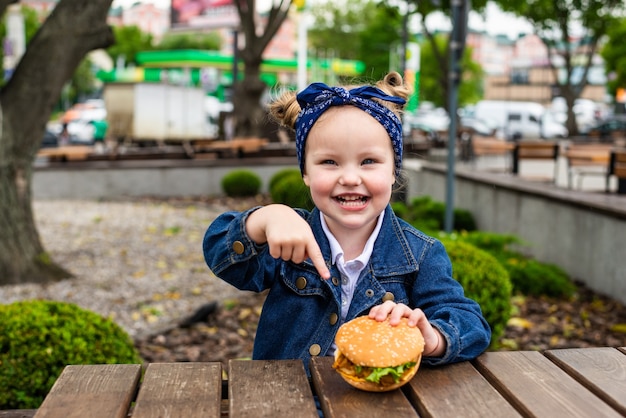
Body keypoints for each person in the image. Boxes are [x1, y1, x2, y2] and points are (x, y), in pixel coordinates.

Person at [202, 72, 491, 374]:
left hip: (378, 400)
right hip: (286, 397)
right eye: (330, 162)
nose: (350, 178)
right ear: (305, 173)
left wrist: (431, 337)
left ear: (394, 171)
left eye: (368, 162)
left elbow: (469, 322)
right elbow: (224, 259)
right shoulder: (291, 235)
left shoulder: (420, 254)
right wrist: (263, 219)